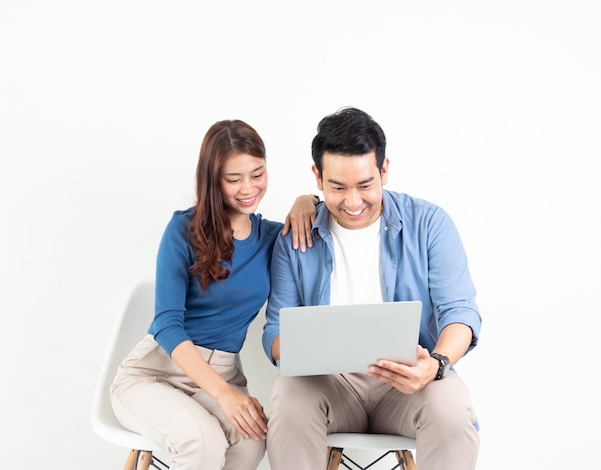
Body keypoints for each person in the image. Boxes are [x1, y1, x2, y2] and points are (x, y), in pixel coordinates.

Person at [262, 107, 482, 470]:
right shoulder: (295, 238)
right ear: (317, 177)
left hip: (410, 380)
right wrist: (309, 349)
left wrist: (437, 365)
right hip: (328, 385)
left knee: (453, 410)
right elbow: (274, 332)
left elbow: (460, 313)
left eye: (365, 186)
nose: (353, 202)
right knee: (288, 397)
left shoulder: (429, 224)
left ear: (384, 171)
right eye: (337, 187)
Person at [110, 119, 319, 470]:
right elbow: (167, 325)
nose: (248, 188)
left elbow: (340, 208)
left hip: (223, 373)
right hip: (157, 372)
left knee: (250, 443)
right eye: (233, 179)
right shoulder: (182, 230)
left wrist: (307, 198)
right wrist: (225, 397)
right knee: (202, 442)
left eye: (257, 174)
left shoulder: (271, 238)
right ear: (212, 180)